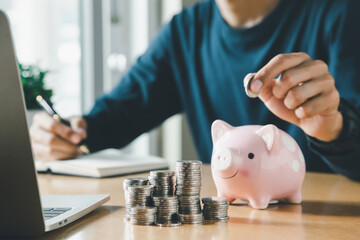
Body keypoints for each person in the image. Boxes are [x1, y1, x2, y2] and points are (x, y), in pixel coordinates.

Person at [30, 0, 360, 181]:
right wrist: (66, 133)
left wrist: (333, 128)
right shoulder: (185, 31)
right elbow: (114, 118)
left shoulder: (342, 13)